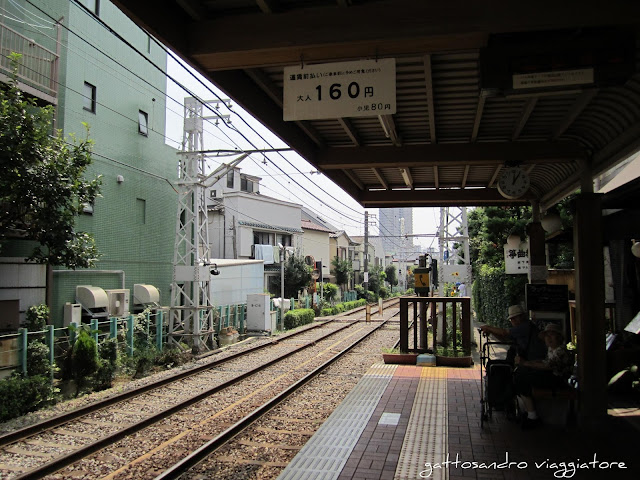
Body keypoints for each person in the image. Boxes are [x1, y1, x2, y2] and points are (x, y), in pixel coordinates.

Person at [513, 323, 574, 429]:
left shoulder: (561, 351)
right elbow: (545, 362)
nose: (549, 338)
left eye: (552, 335)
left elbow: (548, 365)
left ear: (559, 337)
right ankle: (529, 413)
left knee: (521, 378)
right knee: (520, 375)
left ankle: (532, 415)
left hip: (557, 380)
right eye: (547, 335)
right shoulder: (552, 350)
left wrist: (526, 363)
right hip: (551, 377)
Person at [480, 305, 547, 362]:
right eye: (511, 319)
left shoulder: (525, 326)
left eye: (515, 318)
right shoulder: (522, 327)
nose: (513, 321)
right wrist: (491, 331)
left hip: (533, 359)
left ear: (522, 316)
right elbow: (504, 340)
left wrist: (488, 328)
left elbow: (504, 332)